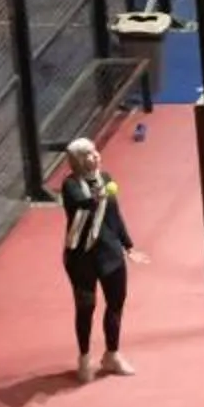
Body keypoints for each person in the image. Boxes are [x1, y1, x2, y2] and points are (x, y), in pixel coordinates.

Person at [59, 137, 142, 382]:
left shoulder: (106, 178)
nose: (95, 157)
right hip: (81, 258)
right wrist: (100, 193)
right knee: (86, 308)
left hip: (111, 255)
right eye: (88, 155)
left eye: (95, 152)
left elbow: (115, 215)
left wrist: (128, 245)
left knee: (115, 304)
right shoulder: (71, 185)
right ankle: (84, 358)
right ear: (76, 161)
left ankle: (112, 355)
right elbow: (83, 204)